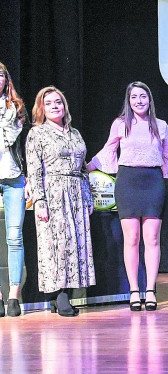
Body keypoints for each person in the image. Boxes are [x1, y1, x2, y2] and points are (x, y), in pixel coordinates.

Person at [88, 82, 168, 311]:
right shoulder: (120, 124)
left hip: (153, 183)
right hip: (128, 181)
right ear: (128, 101)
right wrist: (85, 167)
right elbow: (108, 150)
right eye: (134, 97)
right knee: (132, 239)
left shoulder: (161, 125)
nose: (139, 101)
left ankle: (150, 290)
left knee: (152, 239)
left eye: (143, 96)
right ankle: (134, 290)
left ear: (150, 99)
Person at [25, 86, 94, 317]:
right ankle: (58, 295)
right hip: (52, 193)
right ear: (41, 108)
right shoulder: (37, 133)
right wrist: (40, 200)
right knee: (56, 244)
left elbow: (83, 168)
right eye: (49, 103)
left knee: (75, 243)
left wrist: (87, 196)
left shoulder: (74, 133)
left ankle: (66, 293)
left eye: (58, 102)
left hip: (75, 192)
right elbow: (34, 170)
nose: (55, 106)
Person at [0, 63, 28, 317]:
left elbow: (20, 144)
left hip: (13, 177)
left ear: (6, 80)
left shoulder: (16, 110)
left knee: (14, 236)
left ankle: (13, 296)